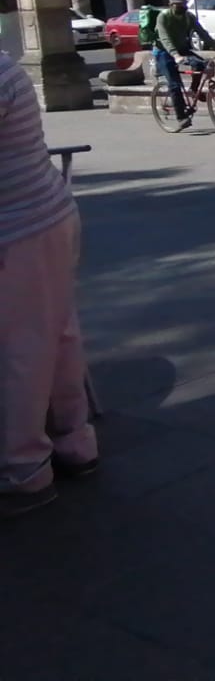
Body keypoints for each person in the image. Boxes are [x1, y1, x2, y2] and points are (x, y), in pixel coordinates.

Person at [0, 51, 98, 519]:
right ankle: (74, 441)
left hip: (14, 228)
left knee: (20, 348)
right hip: (46, 211)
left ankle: (23, 471)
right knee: (56, 333)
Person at [153, 0, 215, 130]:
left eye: (183, 4)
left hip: (182, 49)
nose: (182, 7)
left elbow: (201, 32)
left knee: (201, 64)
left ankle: (193, 90)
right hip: (163, 52)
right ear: (171, 5)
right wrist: (175, 55)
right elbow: (164, 38)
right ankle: (181, 117)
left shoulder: (189, 17)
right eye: (178, 5)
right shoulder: (163, 17)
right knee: (174, 85)